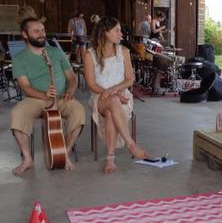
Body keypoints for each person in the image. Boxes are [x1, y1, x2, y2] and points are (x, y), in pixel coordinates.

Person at [10, 17, 85, 175]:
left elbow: (72, 78)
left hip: (62, 97)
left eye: (43, 30)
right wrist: (44, 95)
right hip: (35, 99)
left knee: (78, 111)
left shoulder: (56, 52)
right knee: (17, 113)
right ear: (25, 34)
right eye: (36, 31)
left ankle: (64, 153)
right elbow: (25, 87)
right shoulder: (19, 59)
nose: (41, 34)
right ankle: (28, 159)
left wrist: (70, 91)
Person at [83, 17, 148, 173]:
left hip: (122, 95)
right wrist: (110, 94)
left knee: (111, 111)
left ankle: (110, 160)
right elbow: (91, 84)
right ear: (105, 33)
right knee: (112, 101)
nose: (121, 34)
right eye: (117, 30)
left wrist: (114, 91)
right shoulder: (90, 54)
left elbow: (129, 79)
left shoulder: (123, 52)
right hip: (99, 96)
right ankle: (131, 144)